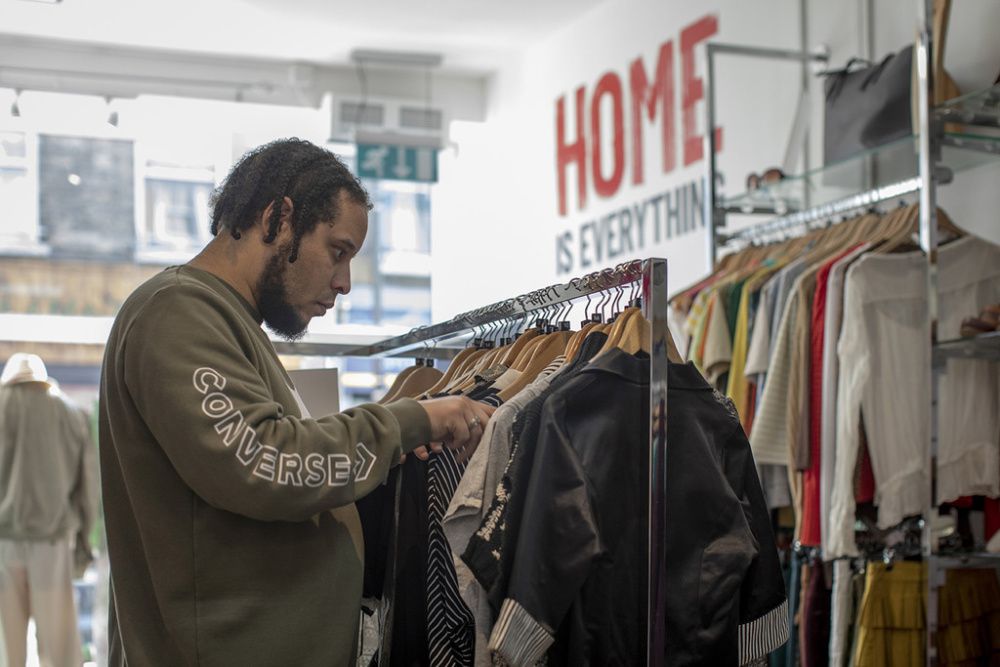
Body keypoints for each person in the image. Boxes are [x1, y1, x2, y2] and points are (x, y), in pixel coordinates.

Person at [98, 137, 494, 666]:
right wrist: (409, 420)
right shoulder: (178, 312)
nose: (345, 283)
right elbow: (269, 462)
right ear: (277, 219)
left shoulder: (227, 320)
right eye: (338, 250)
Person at [0, 352, 99, 667]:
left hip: (3, 546)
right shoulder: (70, 414)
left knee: (5, 651)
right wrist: (83, 549)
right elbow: (88, 489)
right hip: (53, 545)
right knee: (58, 653)